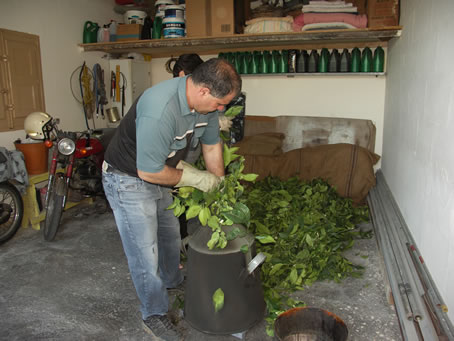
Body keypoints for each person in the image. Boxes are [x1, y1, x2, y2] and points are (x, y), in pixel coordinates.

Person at [102, 58, 242, 340]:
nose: (221, 109)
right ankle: (152, 314)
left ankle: (172, 280)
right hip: (128, 177)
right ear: (203, 91)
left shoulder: (207, 107)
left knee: (169, 236)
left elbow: (212, 144)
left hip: (163, 172)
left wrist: (219, 185)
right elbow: (148, 170)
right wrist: (195, 178)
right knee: (145, 251)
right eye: (219, 104)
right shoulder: (160, 107)